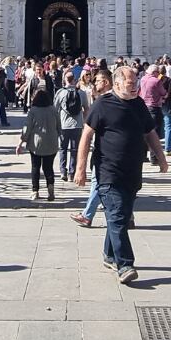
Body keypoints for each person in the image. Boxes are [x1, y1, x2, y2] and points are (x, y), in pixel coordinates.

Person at [74, 65, 169, 285]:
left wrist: (161, 157)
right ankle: (125, 264)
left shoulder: (138, 105)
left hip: (132, 171)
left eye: (136, 82)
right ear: (116, 84)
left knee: (122, 216)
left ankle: (109, 254)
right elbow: (86, 135)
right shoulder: (102, 104)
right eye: (130, 83)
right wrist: (80, 168)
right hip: (108, 170)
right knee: (116, 215)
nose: (135, 86)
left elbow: (150, 132)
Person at [70, 68, 113, 227]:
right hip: (109, 150)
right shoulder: (121, 100)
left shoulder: (102, 102)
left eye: (97, 81)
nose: (94, 84)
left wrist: (80, 168)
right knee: (111, 183)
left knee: (99, 181)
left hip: (104, 151)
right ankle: (128, 217)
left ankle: (87, 215)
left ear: (106, 82)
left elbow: (87, 133)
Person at [18, 89, 61, 201]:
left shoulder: (33, 111)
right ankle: (50, 188)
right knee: (48, 167)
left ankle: (35, 190)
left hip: (36, 143)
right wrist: (60, 137)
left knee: (35, 167)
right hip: (51, 143)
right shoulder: (53, 109)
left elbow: (27, 128)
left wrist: (21, 142)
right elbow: (59, 125)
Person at [57, 71, 88, 180]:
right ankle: (72, 172)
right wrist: (85, 122)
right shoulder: (82, 93)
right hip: (77, 125)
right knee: (75, 150)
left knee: (62, 149)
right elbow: (86, 109)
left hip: (63, 124)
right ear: (74, 79)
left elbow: (55, 109)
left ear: (65, 79)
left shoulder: (60, 93)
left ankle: (62, 171)